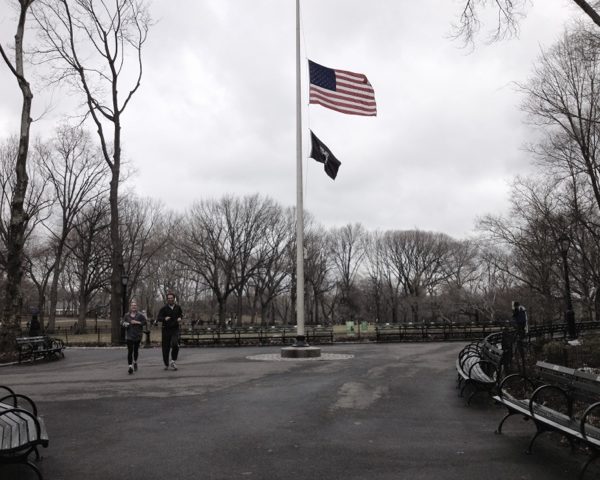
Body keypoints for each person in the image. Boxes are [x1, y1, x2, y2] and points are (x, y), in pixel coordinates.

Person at [155, 292, 183, 371]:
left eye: (171, 298)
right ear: (167, 299)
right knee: (165, 347)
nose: (170, 299)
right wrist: (164, 318)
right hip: (166, 329)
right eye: (169, 298)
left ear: (174, 299)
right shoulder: (164, 308)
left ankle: (173, 361)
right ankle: (166, 364)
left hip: (175, 329)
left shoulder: (178, 307)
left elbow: (181, 314)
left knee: (175, 344)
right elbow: (158, 318)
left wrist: (180, 318)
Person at [121, 300, 147, 374]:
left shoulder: (140, 315)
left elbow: (145, 322)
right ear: (130, 307)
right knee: (130, 351)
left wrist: (137, 322)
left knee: (135, 350)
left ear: (136, 307)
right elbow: (122, 322)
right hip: (129, 336)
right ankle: (130, 366)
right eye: (132, 306)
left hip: (137, 336)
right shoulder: (126, 315)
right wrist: (125, 324)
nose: (134, 307)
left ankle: (135, 362)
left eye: (135, 306)